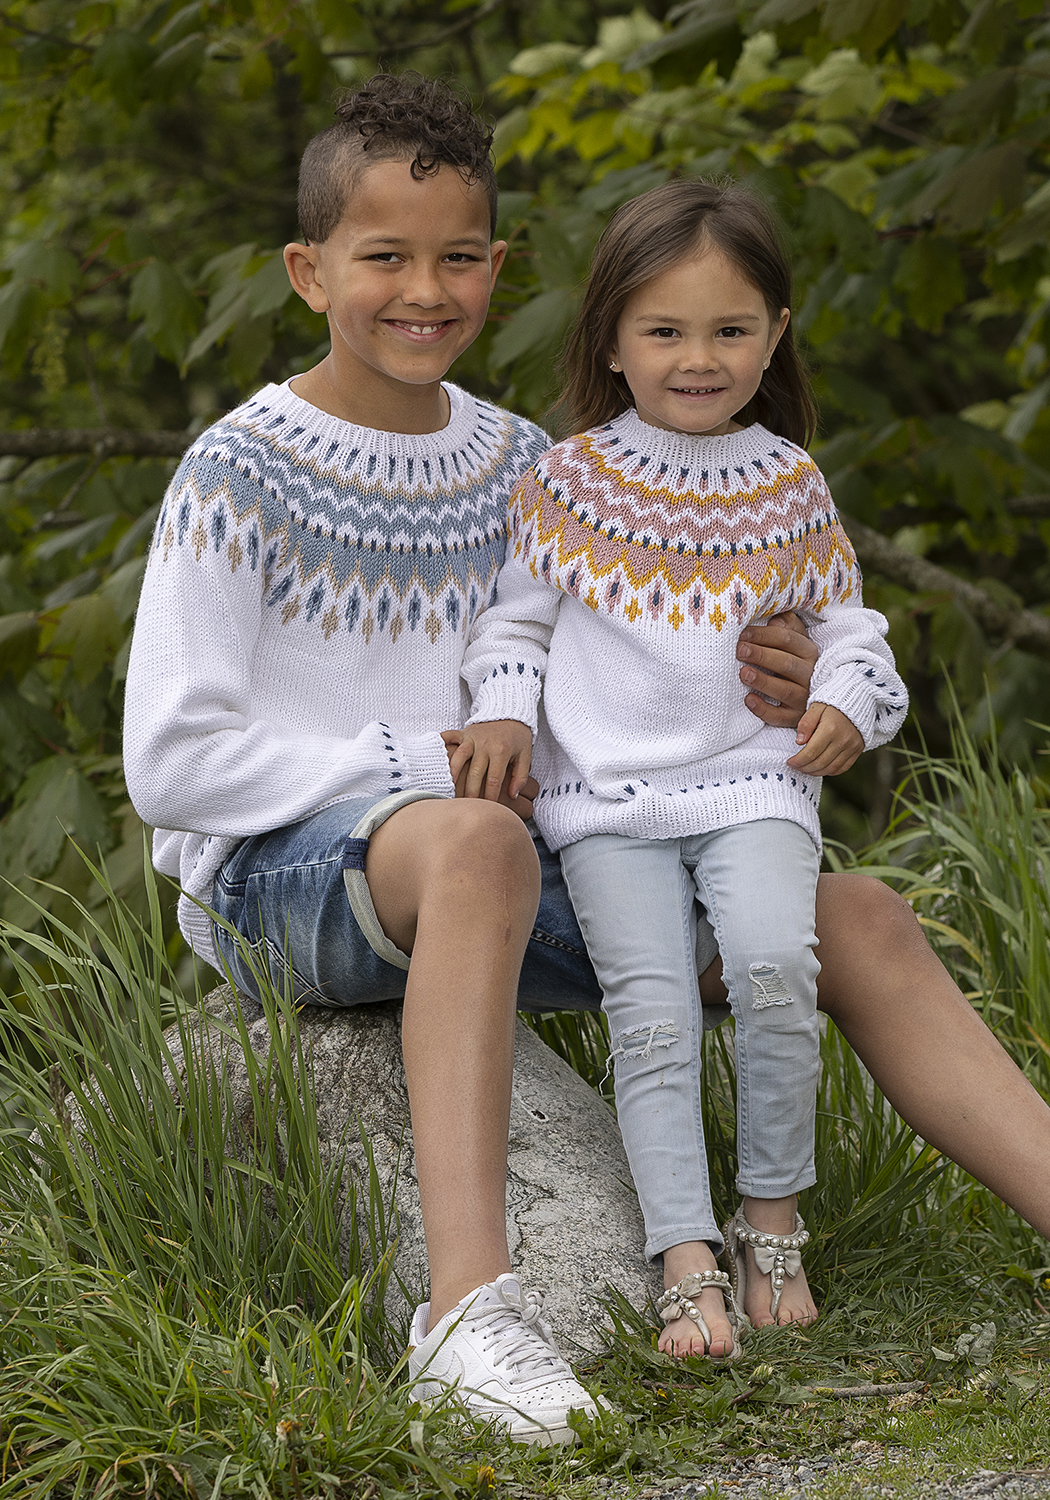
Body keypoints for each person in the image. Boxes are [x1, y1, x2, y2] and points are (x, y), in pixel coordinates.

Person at [121, 69, 1050, 1436]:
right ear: (308, 272)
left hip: (504, 872)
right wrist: (423, 762)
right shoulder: (238, 472)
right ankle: (466, 1318)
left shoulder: (529, 467)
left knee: (852, 917)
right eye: (383, 258)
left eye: (457, 258)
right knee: (476, 836)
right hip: (287, 883)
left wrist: (791, 674)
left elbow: (625, 679)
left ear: (499, 269)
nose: (423, 289)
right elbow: (172, 763)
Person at [454, 179, 908, 1360]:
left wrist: (850, 701)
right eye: (664, 330)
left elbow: (851, 631)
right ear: (612, 338)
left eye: (729, 330)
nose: (697, 359)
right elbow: (515, 627)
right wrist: (503, 716)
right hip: (606, 805)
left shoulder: (788, 483)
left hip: (754, 785)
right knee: (651, 1014)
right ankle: (683, 1255)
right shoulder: (569, 482)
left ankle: (772, 1219)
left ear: (775, 335)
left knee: (772, 968)